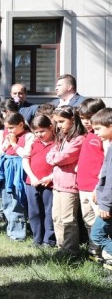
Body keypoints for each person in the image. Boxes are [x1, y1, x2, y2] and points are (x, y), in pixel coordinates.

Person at [47, 105, 86, 256]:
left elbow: (63, 158)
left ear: (73, 119)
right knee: (57, 218)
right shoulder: (62, 138)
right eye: (57, 122)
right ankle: (61, 247)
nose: (59, 125)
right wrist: (55, 158)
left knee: (68, 219)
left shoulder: (79, 139)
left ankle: (71, 252)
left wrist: (55, 158)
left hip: (70, 185)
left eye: (62, 121)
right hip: (57, 184)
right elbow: (51, 155)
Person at [0, 112, 34, 241]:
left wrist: (14, 143)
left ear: (21, 124)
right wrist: (7, 144)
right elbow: (2, 151)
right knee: (7, 201)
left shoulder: (29, 136)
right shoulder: (10, 136)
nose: (8, 131)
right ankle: (10, 231)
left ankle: (18, 234)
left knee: (17, 201)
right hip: (7, 169)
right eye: (7, 128)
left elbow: (25, 154)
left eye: (11, 127)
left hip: (18, 171)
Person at [77, 98, 107, 260]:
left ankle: (105, 255)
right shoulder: (88, 135)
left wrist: (98, 187)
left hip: (96, 188)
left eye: (89, 117)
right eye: (82, 118)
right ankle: (93, 252)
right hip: (83, 186)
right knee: (88, 220)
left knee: (100, 224)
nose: (86, 122)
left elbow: (105, 165)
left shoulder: (104, 137)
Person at [22, 114, 57, 248]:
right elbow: (25, 160)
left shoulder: (57, 143)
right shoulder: (33, 142)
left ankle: (49, 240)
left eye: (42, 131)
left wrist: (50, 177)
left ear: (50, 128)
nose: (39, 134)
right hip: (33, 182)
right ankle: (37, 239)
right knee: (34, 211)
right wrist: (32, 177)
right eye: (36, 132)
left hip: (50, 183)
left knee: (49, 212)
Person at [90, 108, 112, 264]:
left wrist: (106, 204)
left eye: (98, 128)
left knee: (97, 234)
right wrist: (98, 190)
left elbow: (111, 178)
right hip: (106, 200)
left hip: (108, 204)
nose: (94, 132)